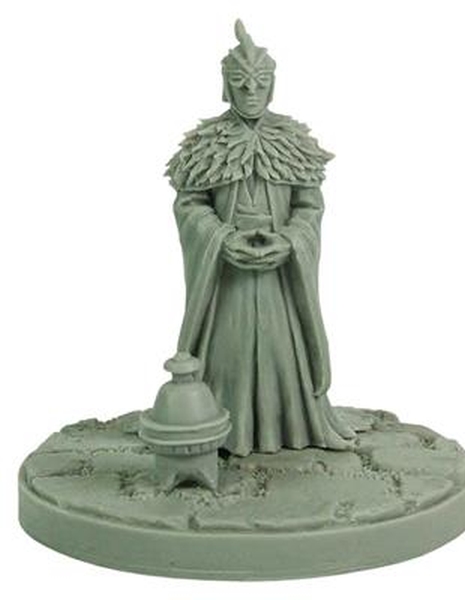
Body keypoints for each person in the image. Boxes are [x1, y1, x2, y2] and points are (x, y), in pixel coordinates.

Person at [165, 20, 356, 456]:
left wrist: (290, 241)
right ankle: (221, 429)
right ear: (225, 85)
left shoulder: (293, 142)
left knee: (281, 354)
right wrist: (219, 238)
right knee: (227, 354)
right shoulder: (206, 144)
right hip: (227, 279)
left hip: (279, 280)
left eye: (260, 81)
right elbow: (189, 203)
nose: (251, 90)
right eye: (240, 82)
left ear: (273, 85)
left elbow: (310, 205)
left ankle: (288, 429)